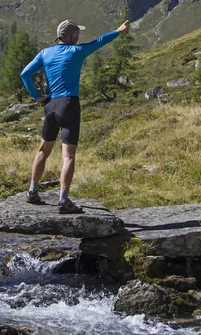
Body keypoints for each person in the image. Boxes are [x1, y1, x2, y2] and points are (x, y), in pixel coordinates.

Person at [20, 19, 130, 214]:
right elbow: (100, 41)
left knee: (43, 150)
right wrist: (119, 31)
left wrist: (38, 98)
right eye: (77, 34)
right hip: (69, 105)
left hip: (50, 105)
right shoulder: (76, 52)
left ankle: (32, 191)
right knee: (68, 155)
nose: (79, 37)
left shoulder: (45, 53)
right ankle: (63, 200)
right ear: (71, 36)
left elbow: (25, 74)